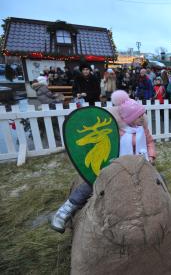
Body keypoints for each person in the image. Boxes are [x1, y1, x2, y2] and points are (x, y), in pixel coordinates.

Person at [51, 90, 156, 233]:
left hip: (141, 165)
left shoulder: (142, 128)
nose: (142, 118)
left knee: (159, 180)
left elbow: (149, 142)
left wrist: (151, 156)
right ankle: (65, 210)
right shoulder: (115, 132)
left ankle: (164, 208)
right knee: (91, 185)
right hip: (117, 168)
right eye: (139, 116)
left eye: (142, 115)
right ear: (128, 118)